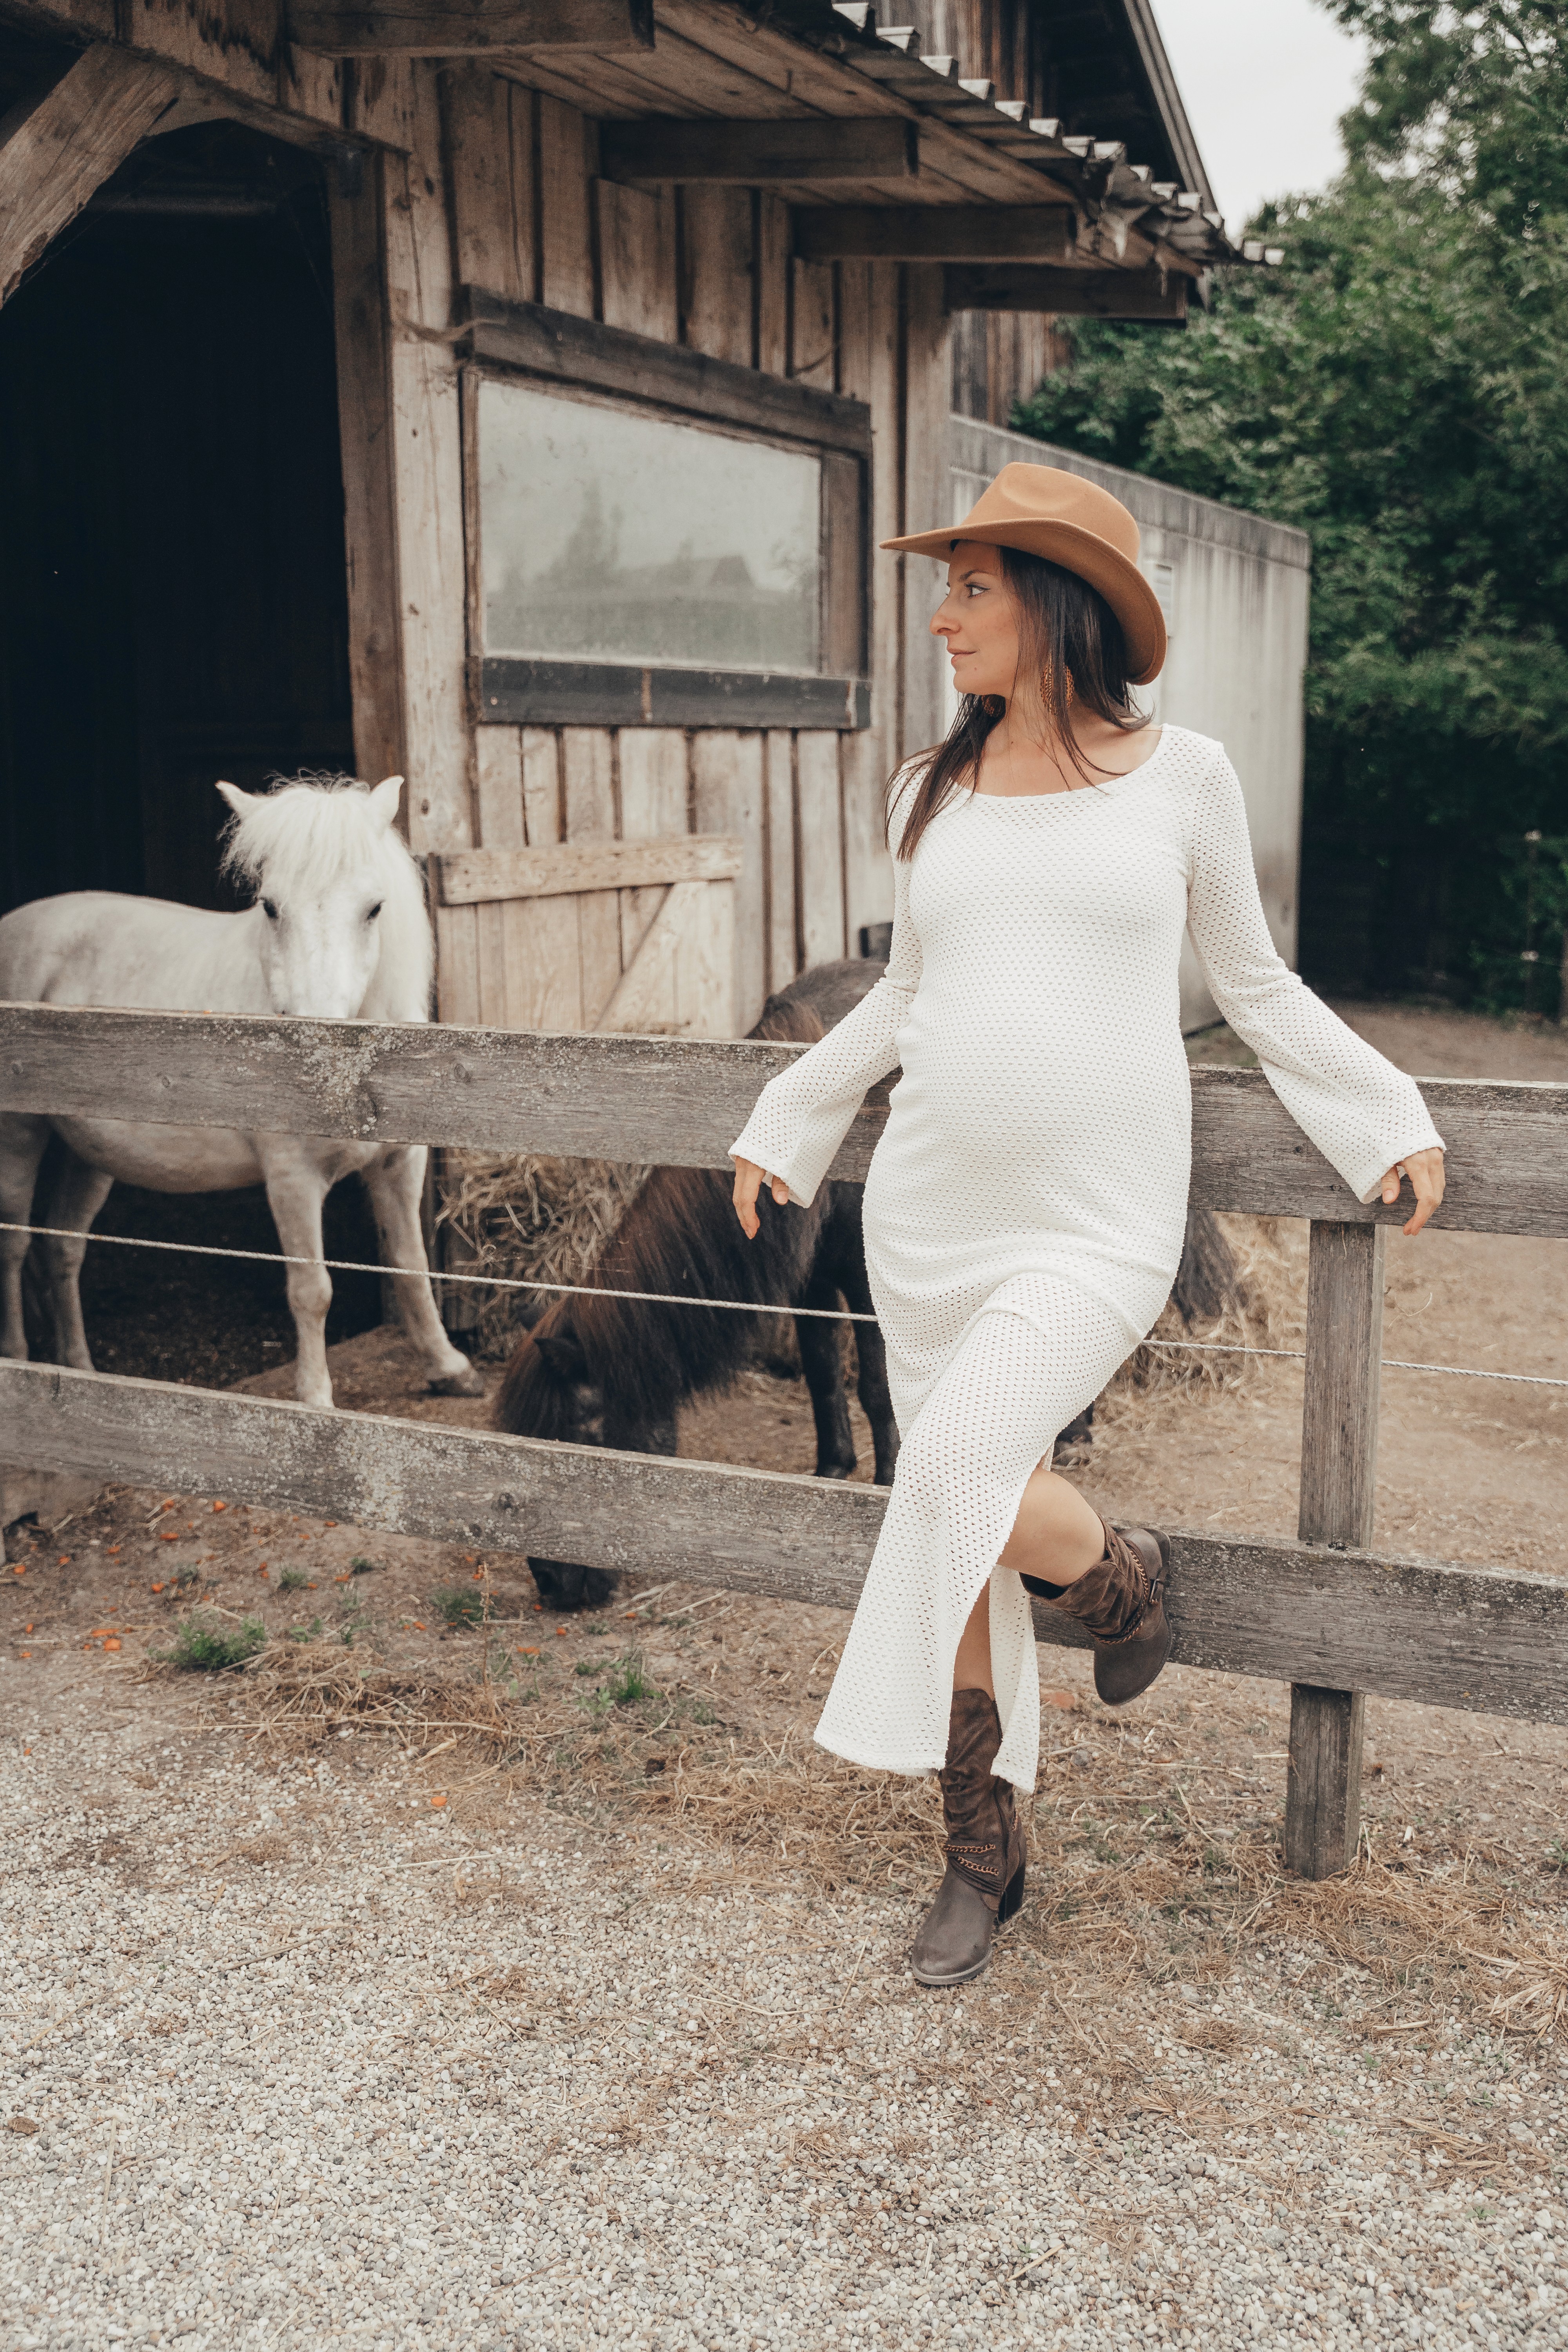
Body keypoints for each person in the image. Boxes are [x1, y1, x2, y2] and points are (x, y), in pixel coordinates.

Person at [729, 463, 1445, 1989]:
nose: (940, 614)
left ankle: (1124, 1580)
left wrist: (1384, 1117)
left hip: (1096, 1220)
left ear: (1055, 605)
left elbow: (1250, 991)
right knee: (962, 1526)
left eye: (970, 587)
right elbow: (904, 999)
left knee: (958, 1467)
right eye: (947, 588)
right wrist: (786, 1119)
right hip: (931, 1215)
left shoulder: (1182, 777)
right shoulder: (933, 786)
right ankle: (983, 1851)